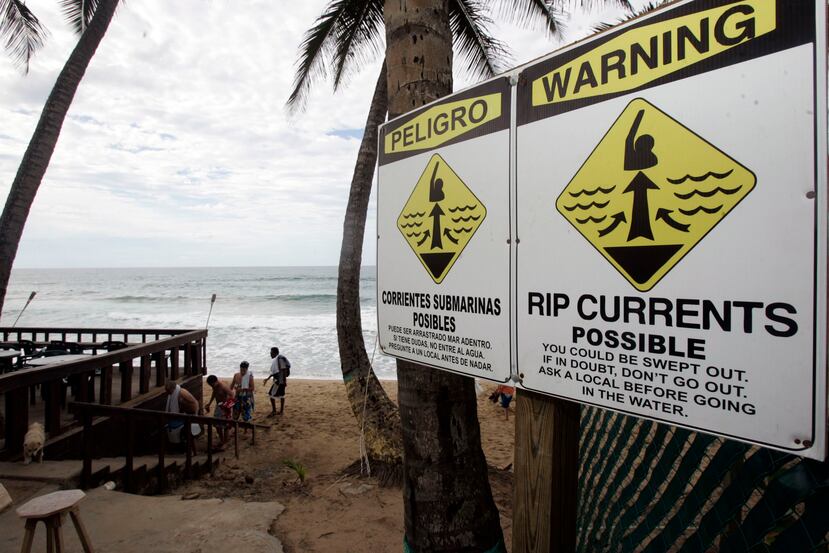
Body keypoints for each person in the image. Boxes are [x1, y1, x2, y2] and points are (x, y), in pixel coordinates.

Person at [164, 380, 199, 454]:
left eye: (168, 391)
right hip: (185, 414)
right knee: (185, 433)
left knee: (189, 434)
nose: (167, 393)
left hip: (191, 414)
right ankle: (186, 450)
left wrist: (193, 415)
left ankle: (192, 451)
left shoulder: (182, 393)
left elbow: (194, 404)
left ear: (172, 389)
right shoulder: (175, 393)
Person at [205, 375, 235, 447]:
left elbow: (232, 394)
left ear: (215, 381)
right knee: (217, 424)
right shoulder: (215, 386)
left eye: (212, 384)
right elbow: (214, 393)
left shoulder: (223, 387)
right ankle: (222, 439)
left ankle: (225, 440)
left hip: (225, 407)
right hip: (218, 406)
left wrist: (226, 404)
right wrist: (209, 403)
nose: (211, 386)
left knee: (226, 424)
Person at [264, 347, 290, 416]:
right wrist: (267, 378)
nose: (270, 354)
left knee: (271, 395)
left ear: (275, 353)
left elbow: (283, 369)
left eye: (271, 353)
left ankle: (274, 411)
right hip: (280, 380)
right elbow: (274, 372)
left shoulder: (280, 359)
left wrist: (284, 381)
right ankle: (281, 411)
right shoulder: (276, 359)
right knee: (282, 395)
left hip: (279, 381)